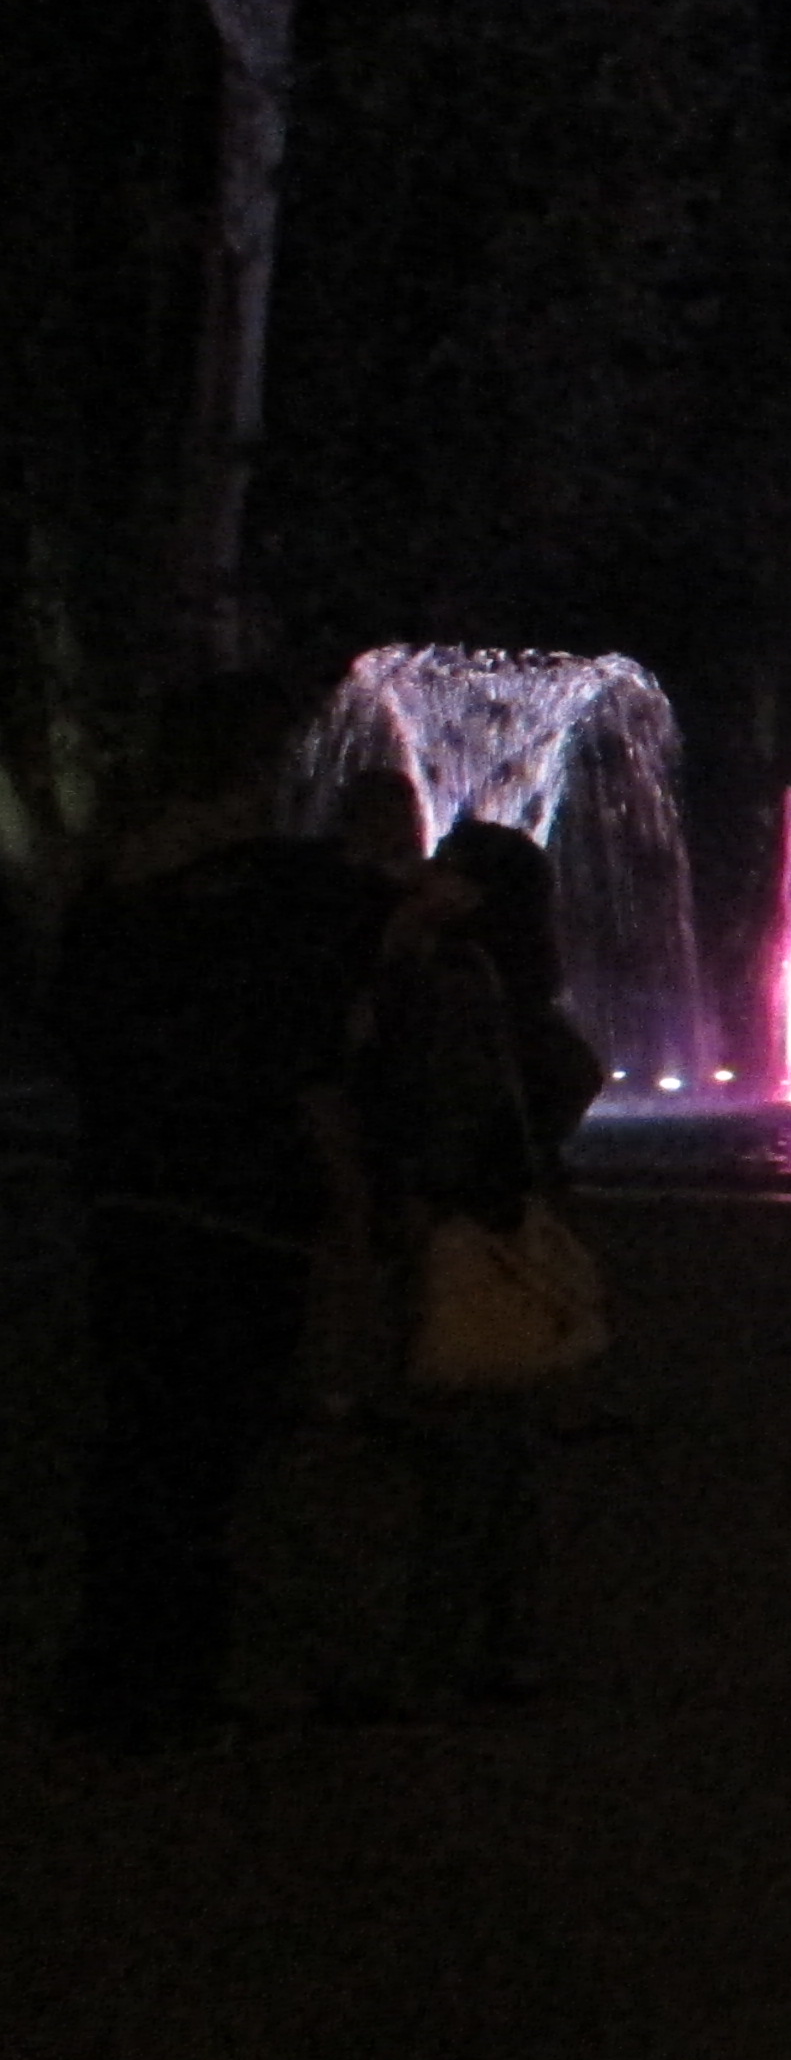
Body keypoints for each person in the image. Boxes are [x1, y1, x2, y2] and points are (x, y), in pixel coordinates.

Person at [48, 673, 395, 1754]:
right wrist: (351, 1207)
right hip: (243, 1205)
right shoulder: (282, 895)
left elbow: (74, 1038)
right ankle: (184, 1681)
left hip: (131, 1196)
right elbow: (311, 1059)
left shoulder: (112, 893)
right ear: (258, 770)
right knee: (216, 1448)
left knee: (140, 1439)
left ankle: (116, 1671)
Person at [353, 818, 609, 1710]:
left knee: (458, 1447)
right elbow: (574, 1071)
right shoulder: (510, 979)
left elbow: (443, 1101)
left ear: (477, 894)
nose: (423, 874)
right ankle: (510, 1645)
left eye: (446, 869)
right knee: (504, 1448)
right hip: (495, 1214)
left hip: (460, 1223)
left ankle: (429, 1660)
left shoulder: (456, 974)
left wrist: (434, 1190)